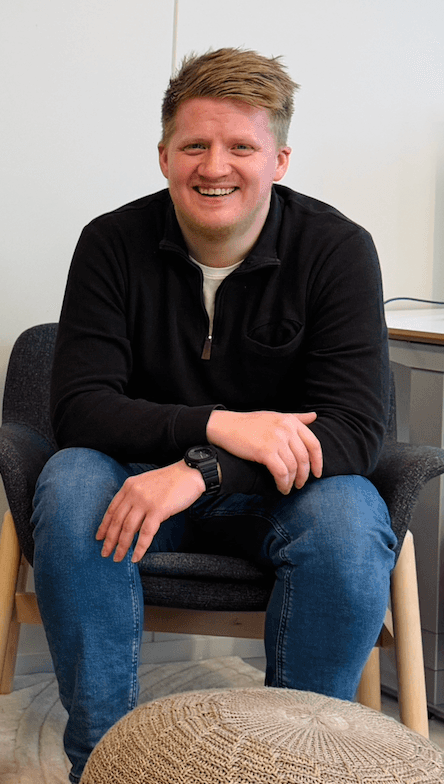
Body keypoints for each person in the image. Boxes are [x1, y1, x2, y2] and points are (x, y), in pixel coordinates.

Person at [33, 47, 395, 783]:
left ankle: (295, 769)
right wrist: (216, 424)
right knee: (71, 481)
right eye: (194, 145)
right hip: (138, 488)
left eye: (241, 147)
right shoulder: (110, 243)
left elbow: (355, 430)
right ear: (164, 155)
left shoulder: (338, 250)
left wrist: (204, 469)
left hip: (280, 497)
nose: (214, 166)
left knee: (352, 513)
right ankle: (105, 768)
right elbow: (79, 409)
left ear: (280, 160)